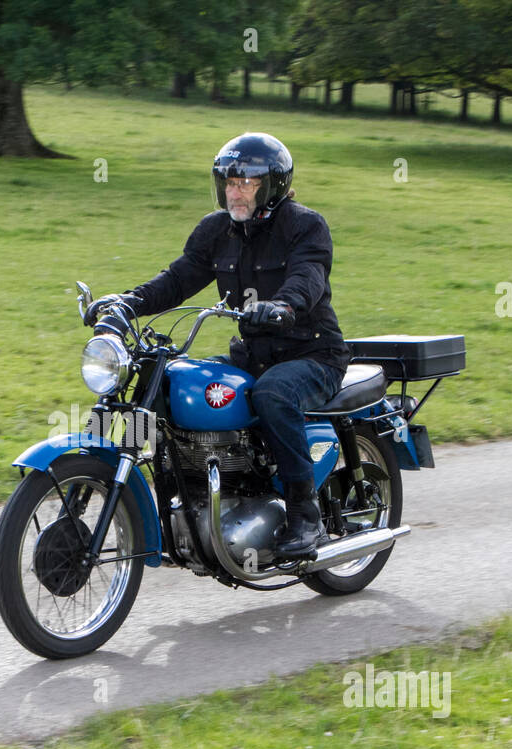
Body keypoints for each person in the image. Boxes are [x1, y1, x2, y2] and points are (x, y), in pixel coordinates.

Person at [83, 132, 351, 558]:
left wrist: (282, 305)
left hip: (312, 355)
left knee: (273, 393)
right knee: (177, 385)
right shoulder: (217, 230)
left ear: (273, 185)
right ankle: (189, 502)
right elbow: (178, 278)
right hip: (255, 355)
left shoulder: (304, 226)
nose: (234, 191)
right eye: (228, 182)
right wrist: (127, 304)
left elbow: (308, 278)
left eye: (245, 182)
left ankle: (305, 516)